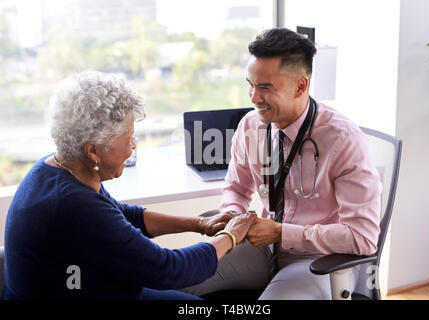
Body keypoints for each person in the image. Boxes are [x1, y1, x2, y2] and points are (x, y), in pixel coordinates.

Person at [2, 70, 256, 300]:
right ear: (93, 151)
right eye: (128, 139)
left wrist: (200, 224)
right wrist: (230, 236)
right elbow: (169, 269)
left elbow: (125, 215)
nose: (133, 146)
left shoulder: (56, 168)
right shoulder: (74, 206)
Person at [183, 28, 382, 300]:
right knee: (175, 279)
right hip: (262, 248)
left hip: (319, 259)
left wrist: (282, 233)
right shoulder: (250, 126)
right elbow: (237, 189)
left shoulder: (343, 139)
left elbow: (363, 237)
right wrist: (232, 213)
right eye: (250, 84)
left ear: (300, 86)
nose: (253, 97)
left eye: (265, 87)